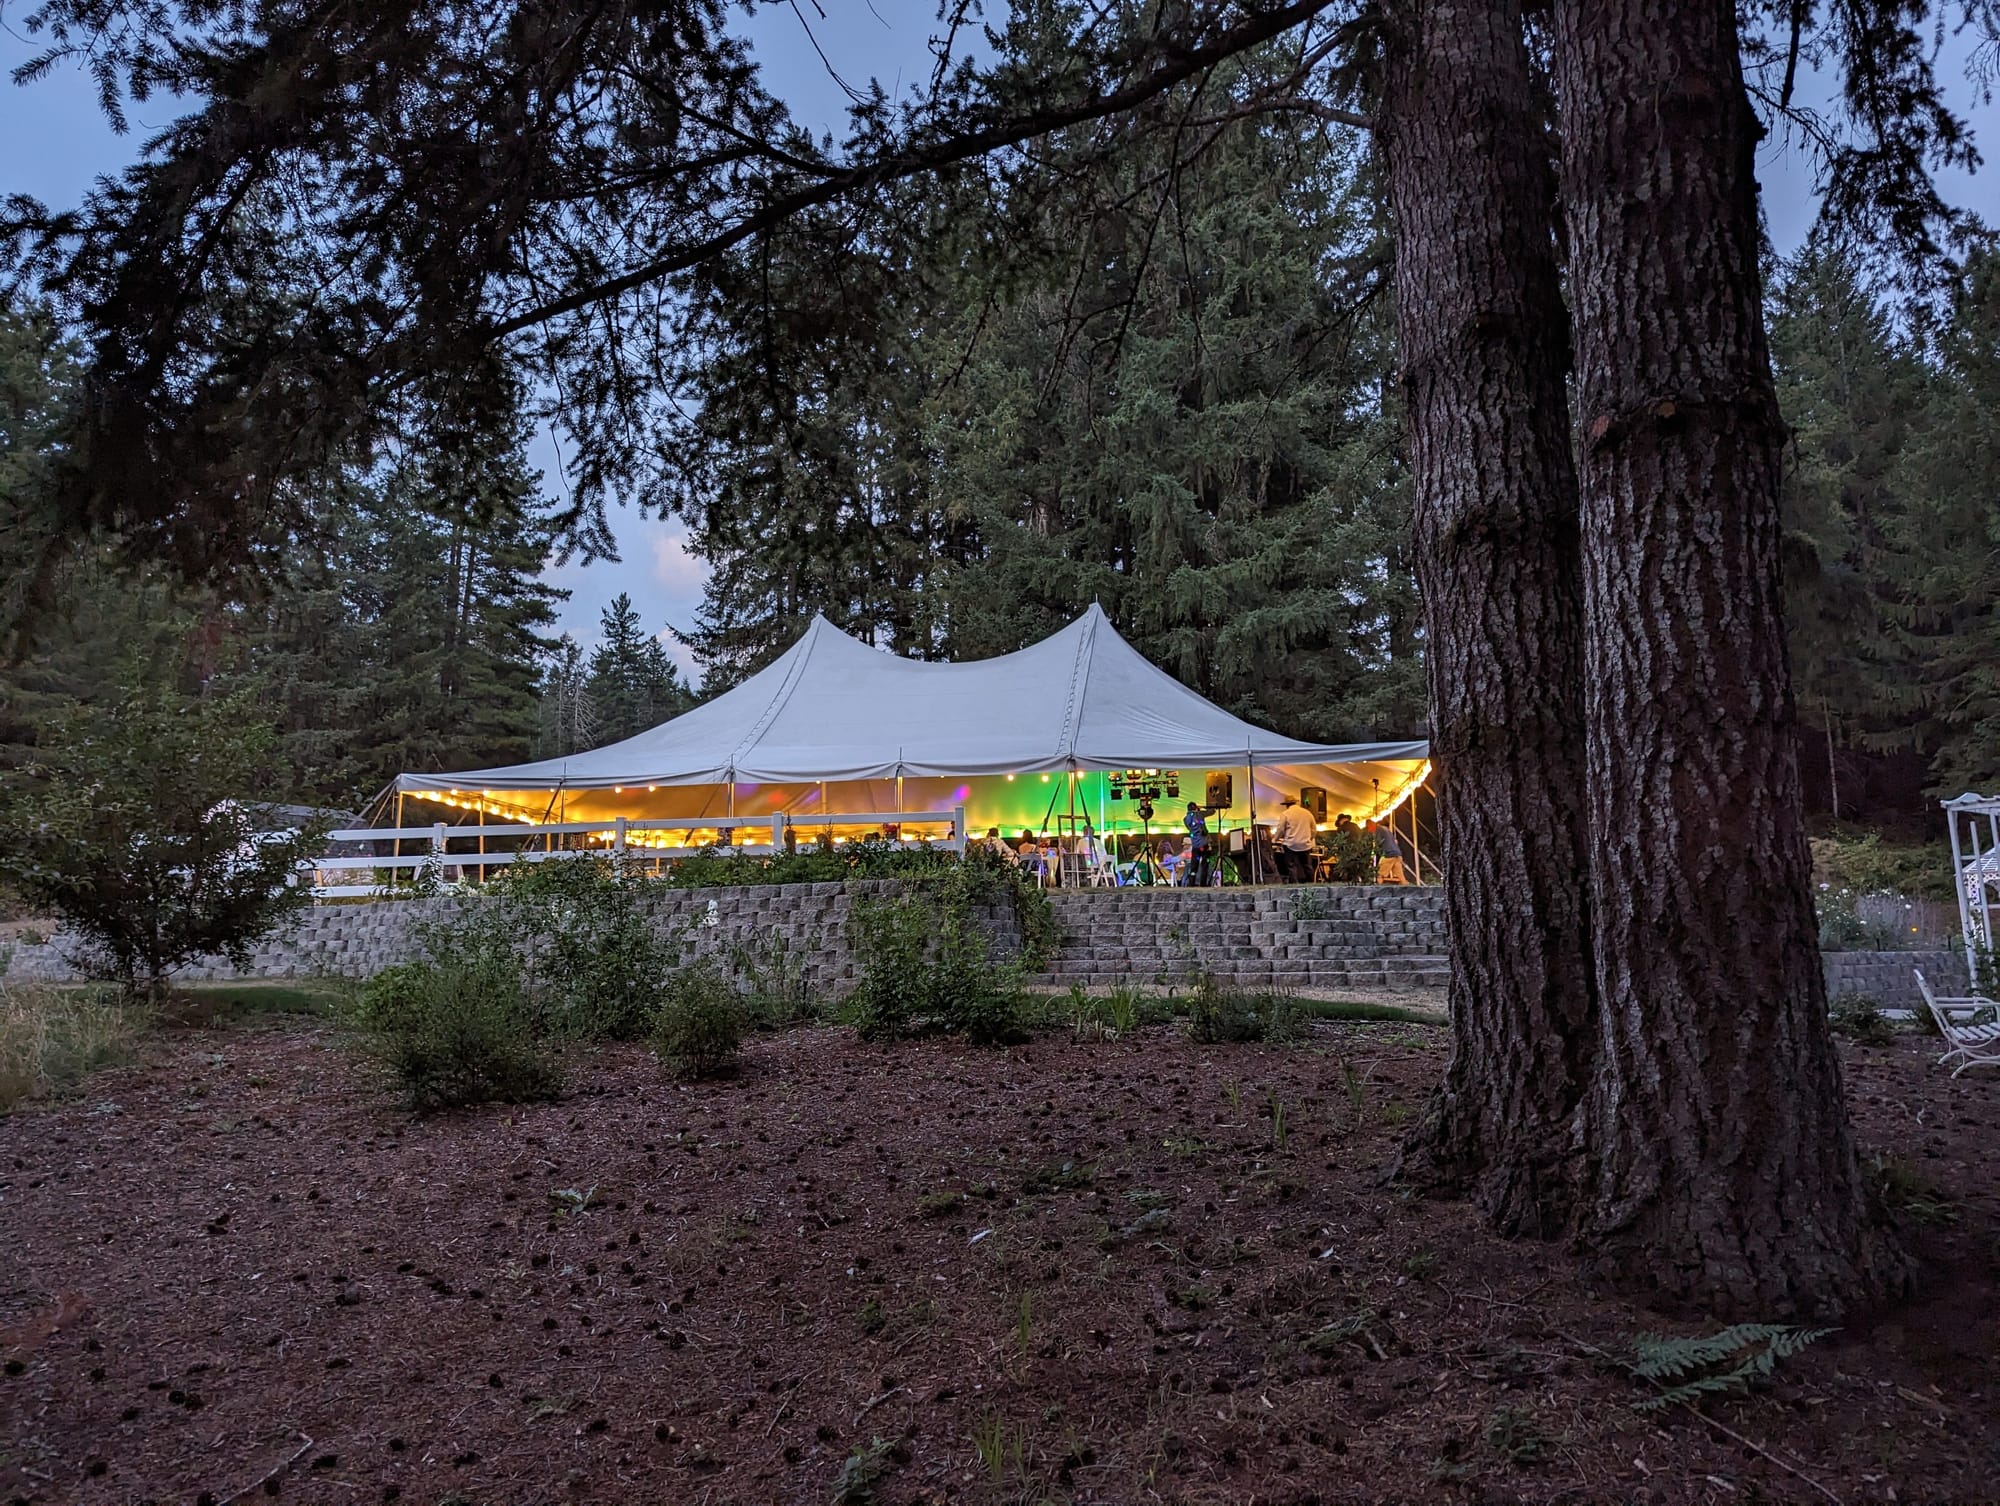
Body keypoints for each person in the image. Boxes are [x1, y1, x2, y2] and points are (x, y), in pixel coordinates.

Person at [1273, 795, 1318, 883]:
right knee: (1307, 866)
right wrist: (1309, 838)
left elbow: (1281, 829)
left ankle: (1294, 885)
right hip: (1305, 844)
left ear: (1286, 805)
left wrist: (1274, 840)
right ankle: (1312, 884)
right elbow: (1314, 829)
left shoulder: (1285, 814)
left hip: (1290, 844)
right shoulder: (1307, 813)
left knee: (1291, 867)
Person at [1183, 802, 1213, 887]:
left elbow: (1190, 828)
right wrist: (1203, 807)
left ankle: (1191, 884)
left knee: (1194, 866)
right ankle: (1203, 884)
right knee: (1205, 864)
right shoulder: (1200, 814)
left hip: (1195, 845)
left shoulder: (1185, 819)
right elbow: (1212, 811)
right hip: (1204, 844)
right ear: (1196, 808)